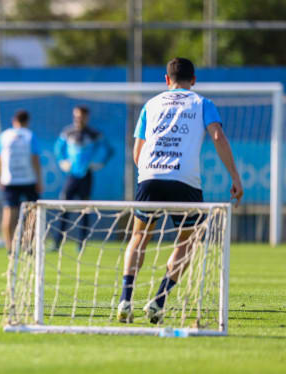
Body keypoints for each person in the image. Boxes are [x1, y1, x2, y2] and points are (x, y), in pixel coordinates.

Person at [117, 57, 243, 324]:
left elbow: (137, 152)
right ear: (193, 81)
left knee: (139, 237)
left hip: (149, 175)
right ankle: (158, 300)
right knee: (188, 240)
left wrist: (152, 174)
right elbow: (218, 136)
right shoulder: (201, 103)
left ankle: (125, 299)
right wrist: (235, 176)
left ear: (166, 80)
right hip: (184, 180)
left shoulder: (150, 104)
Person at [51, 106, 113, 249]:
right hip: (72, 175)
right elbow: (57, 148)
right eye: (76, 116)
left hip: (86, 175)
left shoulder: (94, 134)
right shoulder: (67, 132)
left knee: (84, 209)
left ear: (87, 117)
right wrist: (62, 161)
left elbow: (109, 150)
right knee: (64, 206)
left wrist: (99, 163)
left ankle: (81, 242)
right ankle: (57, 241)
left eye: (81, 116)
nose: (78, 119)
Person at [0, 110, 41, 253]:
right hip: (28, 179)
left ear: (14, 120)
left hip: (9, 180)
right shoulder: (30, 135)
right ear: (27, 121)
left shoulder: (4, 136)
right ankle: (28, 245)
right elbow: (35, 159)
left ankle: (9, 247)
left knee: (9, 213)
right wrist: (39, 179)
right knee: (32, 213)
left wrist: (0, 176)